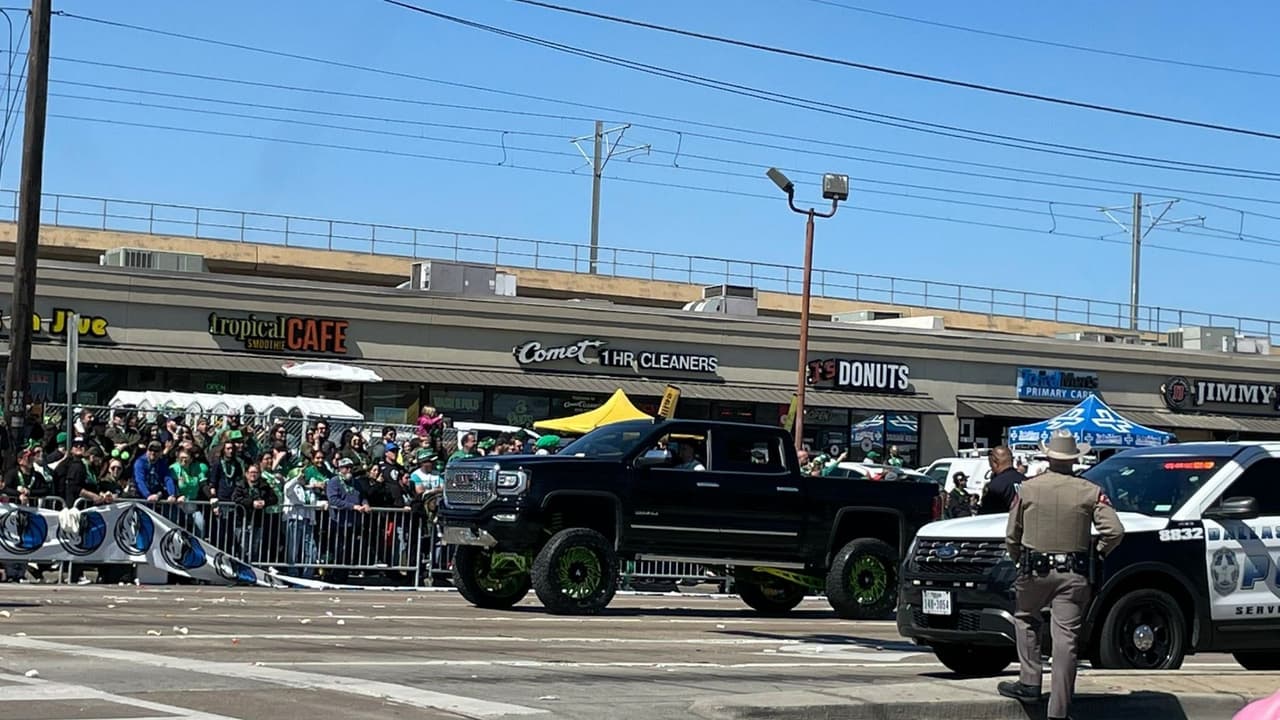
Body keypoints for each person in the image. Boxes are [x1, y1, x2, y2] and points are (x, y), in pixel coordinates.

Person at [998, 430, 1124, 720]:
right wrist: (1098, 552)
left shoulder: (1027, 489)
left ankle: (1030, 682)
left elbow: (1012, 535)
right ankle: (1059, 709)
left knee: (1026, 618)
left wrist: (1018, 558)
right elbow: (1115, 531)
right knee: (1065, 639)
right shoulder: (1090, 491)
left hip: (1034, 570)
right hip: (1074, 572)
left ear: (1048, 457)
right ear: (1074, 459)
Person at [979, 446, 1026, 515]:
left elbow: (986, 515)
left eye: (990, 463)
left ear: (994, 462)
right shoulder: (1027, 481)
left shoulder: (995, 485)